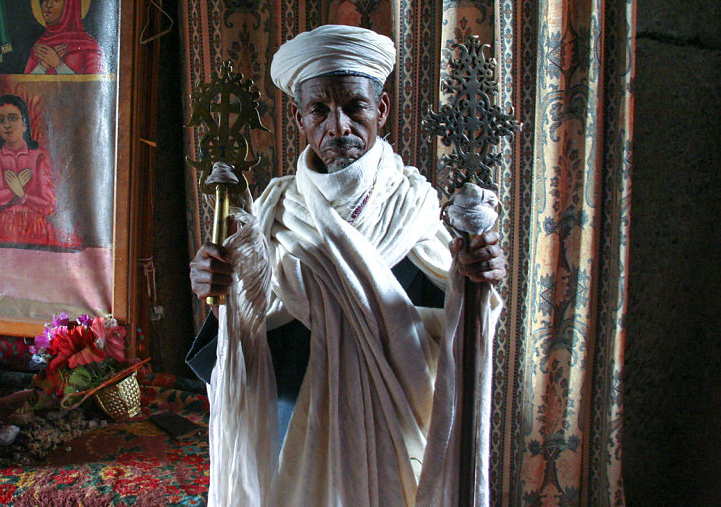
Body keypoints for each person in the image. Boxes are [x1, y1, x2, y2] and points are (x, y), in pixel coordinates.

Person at [187, 25, 506, 506]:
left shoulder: (415, 212)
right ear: (298, 117)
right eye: (319, 110)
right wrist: (217, 294)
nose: (338, 127)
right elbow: (245, 332)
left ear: (381, 110)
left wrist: (475, 279)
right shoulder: (273, 217)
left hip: (397, 437)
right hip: (292, 431)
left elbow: (455, 332)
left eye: (355, 106)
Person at [0, 94, 57, 243]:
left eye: (12, 118)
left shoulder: (39, 157)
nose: (6, 125)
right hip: (6, 224)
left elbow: (49, 204)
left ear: (24, 124)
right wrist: (15, 188)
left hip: (36, 223)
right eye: (1, 120)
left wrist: (22, 195)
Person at [24, 0, 103, 74]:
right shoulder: (41, 47)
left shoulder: (88, 47)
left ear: (70, 4)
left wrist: (58, 65)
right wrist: (43, 66)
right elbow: (24, 87)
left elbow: (93, 87)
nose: (48, 5)